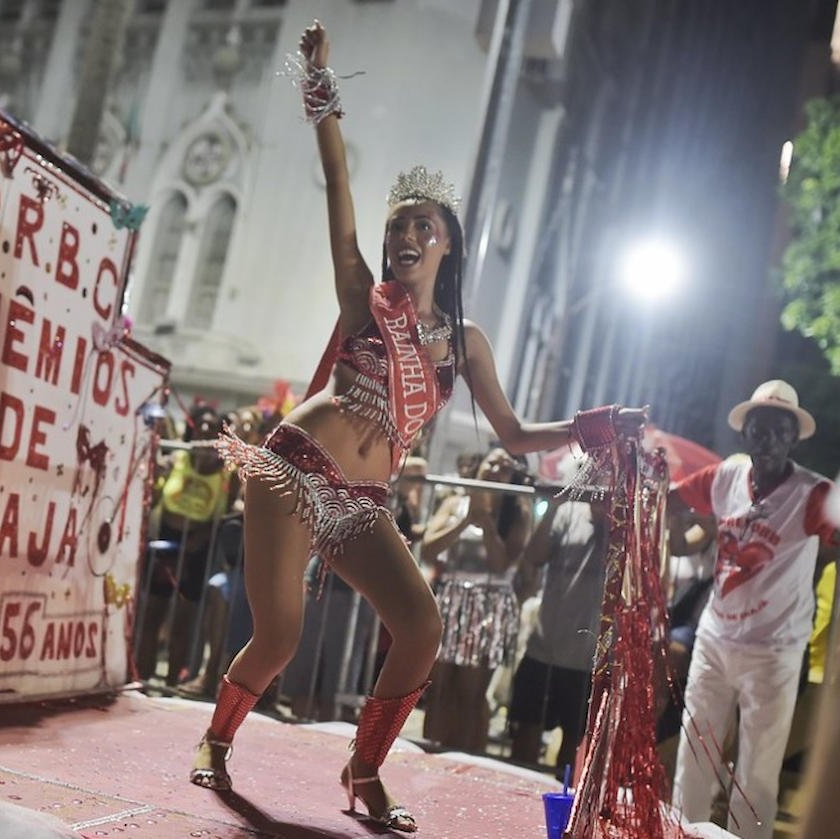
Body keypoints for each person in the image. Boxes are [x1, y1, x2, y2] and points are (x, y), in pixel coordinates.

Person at [188, 20, 644, 833]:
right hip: (294, 468)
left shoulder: (465, 343)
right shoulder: (364, 296)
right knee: (281, 635)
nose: (404, 235)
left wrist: (596, 426)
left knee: (422, 626)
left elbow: (514, 435)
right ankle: (217, 739)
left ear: (447, 247)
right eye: (398, 224)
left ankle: (363, 768)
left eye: (420, 226)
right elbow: (338, 183)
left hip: (362, 501)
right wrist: (321, 88)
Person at [669, 380, 839, 839]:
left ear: (793, 438)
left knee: (757, 770)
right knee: (694, 752)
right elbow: (670, 502)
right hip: (715, 639)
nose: (767, 441)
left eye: (779, 432)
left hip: (774, 650)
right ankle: (683, 833)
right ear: (744, 433)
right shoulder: (725, 476)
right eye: (759, 430)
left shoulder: (812, 492)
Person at [419, 447, 532, 751]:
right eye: (492, 463)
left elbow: (501, 565)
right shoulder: (454, 502)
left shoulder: (517, 512)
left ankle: (467, 756)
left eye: (505, 468)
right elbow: (428, 550)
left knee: (471, 694)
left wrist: (488, 525)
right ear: (480, 465)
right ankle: (430, 751)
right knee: (439, 688)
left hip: (489, 606)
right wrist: (466, 520)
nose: (495, 470)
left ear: (513, 478)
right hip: (451, 600)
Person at [507, 495, 608, 775]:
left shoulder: (625, 521)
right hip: (544, 647)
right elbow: (535, 556)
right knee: (525, 734)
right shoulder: (567, 512)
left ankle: (561, 800)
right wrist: (553, 505)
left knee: (573, 746)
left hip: (587, 660)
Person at [136, 403, 235, 686]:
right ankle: (143, 678)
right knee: (152, 615)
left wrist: (200, 537)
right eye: (200, 424)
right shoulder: (177, 459)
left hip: (197, 551)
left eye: (211, 426)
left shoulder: (227, 472)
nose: (204, 429)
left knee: (183, 622)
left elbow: (226, 514)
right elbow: (156, 497)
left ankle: (171, 684)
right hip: (164, 543)